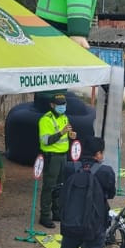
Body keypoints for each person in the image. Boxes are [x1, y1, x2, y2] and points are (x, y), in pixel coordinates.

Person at [47, 136, 115, 248]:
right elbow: (111, 194)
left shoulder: (70, 167)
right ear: (98, 154)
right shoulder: (105, 171)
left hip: (70, 224)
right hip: (94, 227)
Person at [38, 93, 76, 228]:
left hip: (63, 156)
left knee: (60, 186)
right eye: (59, 105)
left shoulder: (64, 117)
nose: (62, 107)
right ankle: (45, 216)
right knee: (49, 187)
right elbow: (46, 140)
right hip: (51, 156)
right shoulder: (45, 120)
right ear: (52, 105)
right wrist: (61, 132)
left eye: (64, 104)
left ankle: (57, 212)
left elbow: (66, 134)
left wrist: (71, 135)